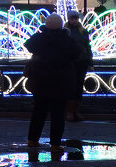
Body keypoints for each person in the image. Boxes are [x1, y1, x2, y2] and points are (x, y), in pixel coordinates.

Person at [24, 14, 80, 149]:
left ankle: (32, 140)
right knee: (58, 113)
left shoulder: (38, 38)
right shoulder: (67, 40)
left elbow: (28, 46)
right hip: (60, 81)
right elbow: (77, 53)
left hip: (40, 81)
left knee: (38, 111)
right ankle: (55, 143)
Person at [65, 12, 92, 122]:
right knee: (71, 87)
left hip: (82, 62)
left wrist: (90, 63)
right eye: (72, 18)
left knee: (79, 86)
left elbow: (88, 47)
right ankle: (69, 112)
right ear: (69, 19)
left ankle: (76, 111)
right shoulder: (65, 31)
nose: (74, 20)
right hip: (70, 63)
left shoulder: (83, 31)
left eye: (76, 18)